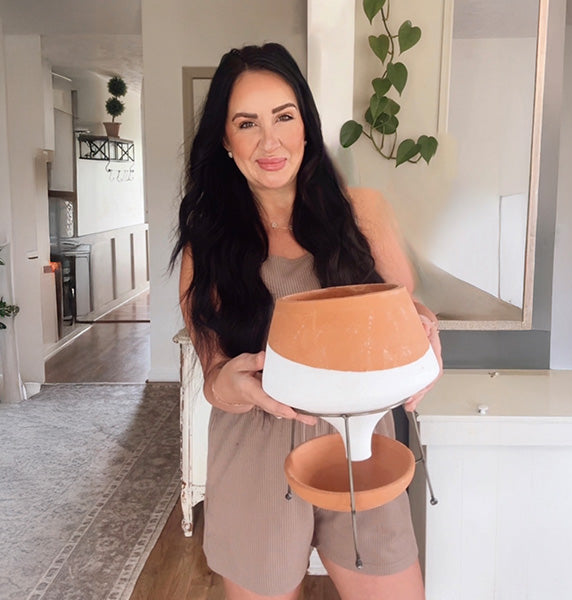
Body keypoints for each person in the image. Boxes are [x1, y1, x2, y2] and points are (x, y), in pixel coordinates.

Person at [172, 42, 442, 600]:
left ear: (305, 125)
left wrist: (425, 335)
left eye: (283, 117)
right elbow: (214, 375)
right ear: (225, 140)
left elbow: (406, 317)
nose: (269, 141)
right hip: (255, 452)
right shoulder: (208, 243)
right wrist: (231, 384)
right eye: (247, 123)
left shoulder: (363, 212)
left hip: (360, 444)